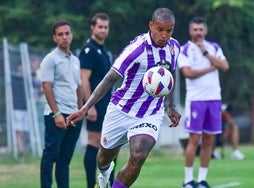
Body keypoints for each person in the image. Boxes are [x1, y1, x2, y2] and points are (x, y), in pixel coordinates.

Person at [67, 7, 181, 188]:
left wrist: (170, 106)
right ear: (151, 25)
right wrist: (85, 108)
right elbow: (110, 78)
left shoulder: (174, 47)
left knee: (138, 155)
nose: (164, 35)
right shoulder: (137, 49)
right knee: (104, 157)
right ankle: (103, 174)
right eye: (160, 29)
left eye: (169, 30)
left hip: (150, 113)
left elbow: (170, 74)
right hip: (121, 110)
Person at [178, 17, 229, 188]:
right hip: (195, 100)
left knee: (209, 140)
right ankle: (187, 180)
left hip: (214, 99)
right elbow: (188, 73)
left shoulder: (214, 48)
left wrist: (207, 54)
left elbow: (224, 66)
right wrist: (209, 68)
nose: (198, 33)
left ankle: (201, 179)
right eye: (195, 29)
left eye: (201, 29)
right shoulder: (185, 50)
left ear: (205, 31)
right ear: (190, 31)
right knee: (194, 139)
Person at [40, 20, 83, 188]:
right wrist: (57, 114)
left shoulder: (75, 60)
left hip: (73, 115)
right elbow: (46, 86)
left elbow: (78, 86)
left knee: (65, 159)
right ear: (54, 38)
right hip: (56, 115)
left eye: (67, 33)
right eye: (60, 34)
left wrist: (80, 110)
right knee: (50, 156)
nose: (64, 37)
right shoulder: (50, 59)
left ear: (71, 35)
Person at [79, 12, 116, 188]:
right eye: (99, 26)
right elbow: (83, 78)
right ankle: (91, 184)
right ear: (92, 27)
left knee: (110, 142)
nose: (103, 30)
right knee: (94, 142)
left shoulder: (104, 51)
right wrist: (89, 106)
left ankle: (109, 183)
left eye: (105, 27)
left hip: (108, 103)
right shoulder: (89, 50)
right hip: (96, 104)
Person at [11, 64, 29, 156]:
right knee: (19, 130)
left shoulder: (27, 79)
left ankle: (23, 149)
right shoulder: (12, 79)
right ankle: (20, 149)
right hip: (16, 108)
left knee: (23, 131)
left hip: (25, 108)